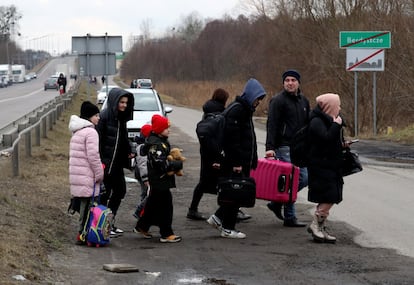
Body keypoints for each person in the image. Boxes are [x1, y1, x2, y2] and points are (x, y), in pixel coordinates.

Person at [207, 78, 266, 239]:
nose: (258, 102)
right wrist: (237, 163)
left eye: (260, 100)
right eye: (257, 99)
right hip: (235, 162)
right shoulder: (238, 110)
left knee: (234, 193)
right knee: (235, 194)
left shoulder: (243, 109)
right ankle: (228, 228)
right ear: (251, 95)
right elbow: (233, 140)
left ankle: (217, 218)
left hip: (240, 161)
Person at [187, 88, 251, 222]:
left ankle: (193, 209)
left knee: (203, 183)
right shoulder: (222, 112)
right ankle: (230, 212)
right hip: (218, 152)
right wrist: (219, 156)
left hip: (206, 152)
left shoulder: (207, 110)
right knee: (227, 182)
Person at [265, 69, 310, 227]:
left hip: (300, 147)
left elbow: (308, 125)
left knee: (304, 178)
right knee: (293, 180)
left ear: (298, 83)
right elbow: (272, 124)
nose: (290, 83)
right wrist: (270, 147)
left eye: (293, 80)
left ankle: (277, 202)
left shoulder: (304, 101)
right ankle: (290, 217)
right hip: (284, 146)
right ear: (283, 83)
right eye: (287, 80)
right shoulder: (278, 101)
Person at [134, 114, 183, 243]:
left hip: (159, 181)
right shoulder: (156, 145)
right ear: (159, 130)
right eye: (166, 128)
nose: (169, 130)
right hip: (159, 180)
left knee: (153, 204)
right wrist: (177, 164)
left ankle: (142, 226)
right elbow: (161, 164)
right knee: (166, 207)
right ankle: (166, 233)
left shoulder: (160, 142)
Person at [307, 93, 347, 243]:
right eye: (337, 105)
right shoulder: (316, 122)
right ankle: (315, 225)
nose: (340, 108)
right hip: (321, 166)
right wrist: (336, 125)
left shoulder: (327, 120)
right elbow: (325, 139)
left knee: (330, 195)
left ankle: (320, 226)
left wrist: (343, 145)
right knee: (330, 195)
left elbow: (330, 142)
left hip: (331, 165)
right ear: (330, 107)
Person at [97, 88, 135, 237]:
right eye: (122, 102)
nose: (124, 105)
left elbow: (123, 138)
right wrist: (100, 163)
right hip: (106, 165)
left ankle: (109, 222)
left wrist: (130, 149)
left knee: (120, 191)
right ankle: (102, 225)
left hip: (117, 164)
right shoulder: (104, 117)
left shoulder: (121, 119)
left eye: (126, 102)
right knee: (104, 195)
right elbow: (98, 142)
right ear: (114, 101)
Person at [68, 101, 103, 245]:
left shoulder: (77, 131)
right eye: (96, 115)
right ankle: (84, 234)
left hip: (78, 175)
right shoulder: (91, 132)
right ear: (89, 117)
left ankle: (82, 233)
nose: (98, 118)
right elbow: (93, 155)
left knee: (83, 205)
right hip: (87, 175)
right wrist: (99, 173)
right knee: (88, 207)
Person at [132, 124, 152, 219]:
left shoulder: (142, 145)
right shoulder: (142, 147)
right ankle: (139, 211)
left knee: (145, 193)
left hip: (142, 174)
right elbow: (142, 164)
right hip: (143, 174)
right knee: (149, 193)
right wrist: (145, 178)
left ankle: (144, 213)